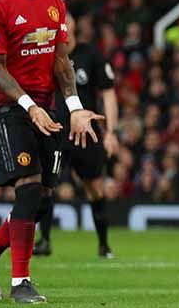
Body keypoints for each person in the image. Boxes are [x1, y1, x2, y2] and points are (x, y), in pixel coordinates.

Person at [0, 0, 103, 304]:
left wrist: (73, 107)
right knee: (27, 188)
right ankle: (20, 282)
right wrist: (29, 106)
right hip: (11, 110)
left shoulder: (54, 3)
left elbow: (61, 63)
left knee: (39, 201)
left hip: (48, 108)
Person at [33, 14, 119, 258]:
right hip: (54, 130)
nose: (64, 28)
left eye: (67, 24)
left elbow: (109, 93)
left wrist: (111, 132)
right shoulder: (45, 55)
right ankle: (45, 240)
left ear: (72, 27)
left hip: (86, 133)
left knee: (94, 187)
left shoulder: (90, 54)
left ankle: (104, 244)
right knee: (45, 185)